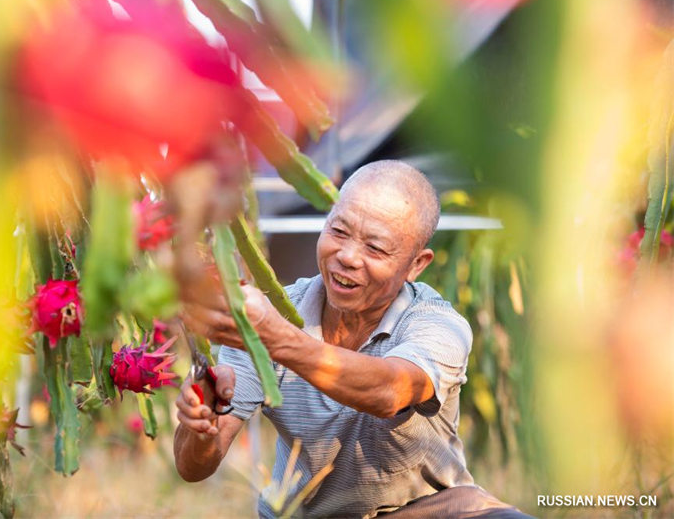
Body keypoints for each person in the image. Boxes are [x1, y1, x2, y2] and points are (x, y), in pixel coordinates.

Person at [174, 161, 531, 518]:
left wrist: (274, 337)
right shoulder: (273, 315)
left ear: (416, 264)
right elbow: (193, 468)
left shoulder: (438, 324)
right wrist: (201, 428)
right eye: (339, 231)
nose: (347, 257)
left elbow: (389, 390)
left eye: (375, 248)